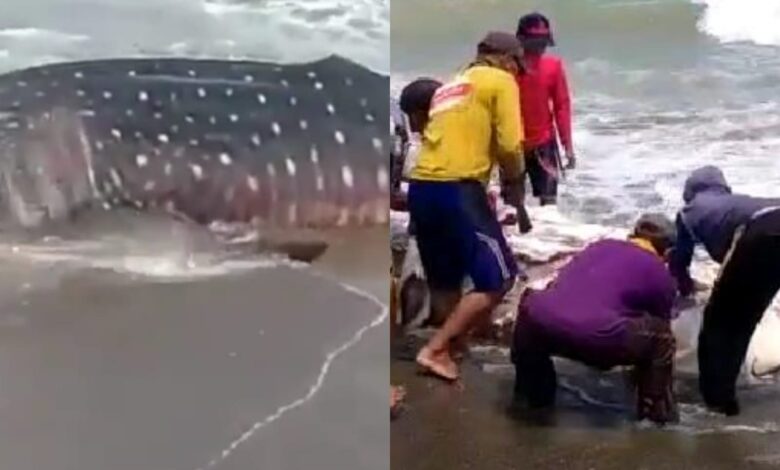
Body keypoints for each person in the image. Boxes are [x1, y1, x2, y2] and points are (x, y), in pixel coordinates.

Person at [408, 31, 526, 381]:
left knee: (445, 279)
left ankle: (453, 349)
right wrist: (515, 180)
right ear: (508, 59)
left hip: (422, 187)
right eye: (518, 65)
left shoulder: (451, 85)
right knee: (500, 278)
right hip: (458, 188)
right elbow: (509, 144)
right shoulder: (501, 80)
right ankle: (437, 349)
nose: (518, 72)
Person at [512, 213, 679, 424]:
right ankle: (654, 416)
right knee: (662, 339)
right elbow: (660, 324)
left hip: (538, 322)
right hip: (593, 335)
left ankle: (531, 397)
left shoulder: (598, 246)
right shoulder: (660, 273)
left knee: (536, 308)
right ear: (668, 252)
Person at [669, 165, 780, 416]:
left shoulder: (689, 212)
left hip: (763, 230)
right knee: (748, 312)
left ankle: (719, 404)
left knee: (723, 325)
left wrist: (685, 292)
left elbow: (679, 264)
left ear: (690, 191)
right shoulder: (736, 203)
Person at [514, 12, 574, 206]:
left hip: (543, 142)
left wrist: (568, 146)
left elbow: (562, 106)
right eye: (536, 40)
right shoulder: (508, 66)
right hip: (512, 144)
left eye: (544, 40)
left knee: (549, 201)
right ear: (521, 39)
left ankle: (547, 235)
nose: (541, 45)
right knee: (511, 202)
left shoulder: (553, 66)